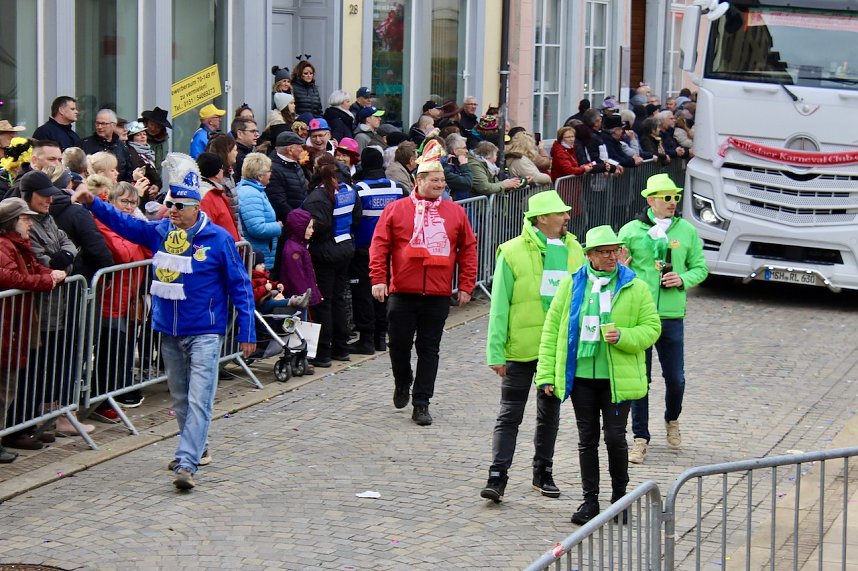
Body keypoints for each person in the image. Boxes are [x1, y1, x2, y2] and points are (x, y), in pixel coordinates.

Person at [72, 152, 256, 490]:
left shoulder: (218, 240)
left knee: (200, 398)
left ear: (195, 208)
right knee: (182, 399)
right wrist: (93, 204)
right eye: (169, 205)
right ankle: (196, 449)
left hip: (205, 332)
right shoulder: (160, 232)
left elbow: (240, 287)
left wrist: (247, 330)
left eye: (178, 207)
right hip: (168, 331)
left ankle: (186, 461)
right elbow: (126, 225)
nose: (171, 211)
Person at [535, 225, 661, 525]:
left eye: (614, 251)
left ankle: (620, 500)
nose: (611, 257)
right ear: (589, 255)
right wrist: (546, 375)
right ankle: (589, 500)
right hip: (581, 377)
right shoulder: (571, 285)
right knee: (586, 439)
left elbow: (652, 327)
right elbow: (553, 330)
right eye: (604, 252)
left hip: (617, 378)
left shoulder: (635, 286)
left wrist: (625, 336)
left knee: (615, 438)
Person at [480, 190, 584, 503]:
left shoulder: (574, 249)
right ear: (541, 218)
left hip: (555, 350)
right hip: (520, 348)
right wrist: (495, 352)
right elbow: (499, 305)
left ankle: (543, 473)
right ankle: (497, 476)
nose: (567, 217)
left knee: (549, 415)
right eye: (560, 213)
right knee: (510, 415)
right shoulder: (511, 252)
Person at [369, 140, 477, 426]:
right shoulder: (397, 209)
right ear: (419, 180)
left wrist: (466, 284)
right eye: (435, 180)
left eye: (443, 180)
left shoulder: (455, 212)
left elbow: (467, 248)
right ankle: (402, 379)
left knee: (429, 349)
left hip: (438, 293)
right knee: (399, 345)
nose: (441, 184)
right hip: (403, 291)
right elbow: (380, 245)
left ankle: (422, 402)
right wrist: (378, 278)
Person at [619, 174, 708, 465]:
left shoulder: (686, 231)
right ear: (650, 200)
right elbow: (615, 268)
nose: (672, 203)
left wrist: (681, 278)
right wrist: (620, 268)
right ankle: (640, 438)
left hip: (671, 316)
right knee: (640, 381)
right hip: (640, 317)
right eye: (666, 197)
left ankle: (672, 418)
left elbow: (701, 268)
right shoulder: (631, 231)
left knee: (676, 379)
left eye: (675, 198)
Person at [0, 197, 66, 457]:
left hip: (17, 323)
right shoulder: (5, 245)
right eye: (24, 218)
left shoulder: (18, 244)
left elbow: (30, 268)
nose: (29, 222)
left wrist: (51, 274)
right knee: (4, 387)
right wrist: (44, 280)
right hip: (8, 324)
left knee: (10, 385)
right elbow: (9, 277)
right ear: (11, 222)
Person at [90, 181, 151, 420]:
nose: (128, 207)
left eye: (133, 203)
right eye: (123, 201)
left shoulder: (134, 224)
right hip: (107, 299)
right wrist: (136, 237)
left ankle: (109, 397)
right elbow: (123, 253)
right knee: (107, 351)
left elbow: (149, 251)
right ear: (111, 201)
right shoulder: (102, 222)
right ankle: (99, 400)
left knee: (120, 351)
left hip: (127, 299)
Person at [302, 158, 361, 368]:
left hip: (324, 252)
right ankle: (341, 347)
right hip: (345, 247)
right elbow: (356, 217)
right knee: (338, 299)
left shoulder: (317, 197)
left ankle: (323, 352)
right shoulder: (349, 191)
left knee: (323, 302)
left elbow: (317, 227)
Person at [349, 147, 406, 355]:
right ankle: (382, 337)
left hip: (364, 250)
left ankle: (366, 340)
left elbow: (352, 220)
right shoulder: (398, 188)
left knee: (364, 295)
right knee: (386, 292)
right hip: (392, 250)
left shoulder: (358, 190)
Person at [236, 152, 281, 269]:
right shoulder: (250, 194)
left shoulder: (256, 191)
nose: (271, 174)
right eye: (269, 171)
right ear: (260, 176)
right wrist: (278, 227)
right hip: (256, 257)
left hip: (259, 253)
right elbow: (257, 228)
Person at [80, 109, 134, 182]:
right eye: (97, 123)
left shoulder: (122, 147)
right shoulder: (84, 144)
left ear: (114, 125)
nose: (99, 127)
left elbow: (128, 172)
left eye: (103, 124)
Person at [197, 152, 241, 241]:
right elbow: (206, 229)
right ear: (217, 173)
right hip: (219, 251)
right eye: (222, 169)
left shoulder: (213, 192)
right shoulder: (207, 196)